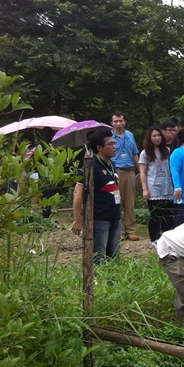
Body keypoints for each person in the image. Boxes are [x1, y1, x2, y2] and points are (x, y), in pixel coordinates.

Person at [72, 129, 122, 263]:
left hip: (115, 216)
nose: (114, 147)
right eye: (110, 144)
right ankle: (97, 282)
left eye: (114, 143)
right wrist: (78, 219)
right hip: (100, 218)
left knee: (115, 256)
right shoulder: (90, 166)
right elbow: (78, 192)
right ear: (99, 147)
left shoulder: (112, 164)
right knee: (99, 257)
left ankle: (114, 282)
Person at [138, 125, 175, 246]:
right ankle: (154, 238)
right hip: (153, 187)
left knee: (167, 215)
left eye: (159, 135)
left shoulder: (167, 151)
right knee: (155, 214)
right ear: (149, 137)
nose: (157, 138)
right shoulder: (145, 153)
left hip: (167, 186)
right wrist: (145, 189)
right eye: (154, 136)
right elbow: (142, 172)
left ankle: (166, 238)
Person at [110, 111, 140, 241]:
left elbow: (135, 153)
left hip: (130, 171)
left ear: (125, 122)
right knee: (117, 201)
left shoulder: (129, 135)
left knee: (130, 201)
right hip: (116, 171)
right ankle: (119, 231)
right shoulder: (109, 137)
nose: (118, 123)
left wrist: (140, 170)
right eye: (116, 121)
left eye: (120, 121)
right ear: (112, 123)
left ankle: (130, 230)